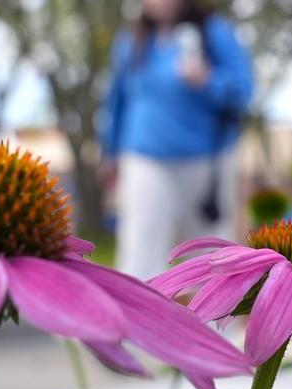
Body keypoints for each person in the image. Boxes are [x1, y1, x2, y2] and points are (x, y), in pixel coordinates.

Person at [100, 0, 254, 279]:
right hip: (144, 158)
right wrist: (109, 152)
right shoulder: (131, 41)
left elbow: (242, 91)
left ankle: (213, 308)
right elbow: (117, 100)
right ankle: (138, 307)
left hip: (206, 163)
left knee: (210, 257)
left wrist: (208, 80)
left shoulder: (213, 33)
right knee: (140, 250)